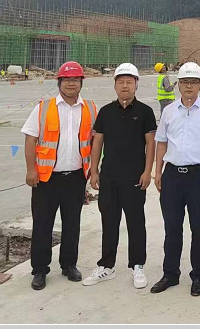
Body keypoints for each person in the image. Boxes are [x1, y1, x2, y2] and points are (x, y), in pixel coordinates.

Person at [21, 61, 99, 290]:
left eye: (75, 80)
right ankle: (40, 270)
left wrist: (93, 171)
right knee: (42, 224)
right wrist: (31, 169)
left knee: (72, 223)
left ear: (81, 82)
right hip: (46, 178)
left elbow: (95, 143)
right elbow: (30, 139)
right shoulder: (43, 108)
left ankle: (68, 264)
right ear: (59, 83)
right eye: (67, 80)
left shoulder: (91, 109)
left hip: (75, 177)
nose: (71, 83)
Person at [151, 61, 200, 296]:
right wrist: (158, 171)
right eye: (185, 82)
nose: (189, 86)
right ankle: (170, 274)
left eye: (193, 82)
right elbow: (161, 142)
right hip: (172, 175)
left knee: (199, 228)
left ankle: (198, 276)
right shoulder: (169, 111)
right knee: (172, 228)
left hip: (199, 176)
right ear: (179, 85)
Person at [83, 63, 156, 290]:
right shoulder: (106, 112)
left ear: (136, 85)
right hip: (109, 177)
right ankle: (107, 265)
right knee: (109, 221)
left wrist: (147, 171)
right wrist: (94, 171)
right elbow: (97, 143)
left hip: (135, 177)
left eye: (129, 81)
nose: (125, 85)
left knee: (136, 222)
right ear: (115, 85)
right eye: (121, 82)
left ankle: (137, 265)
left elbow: (150, 143)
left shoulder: (145, 112)